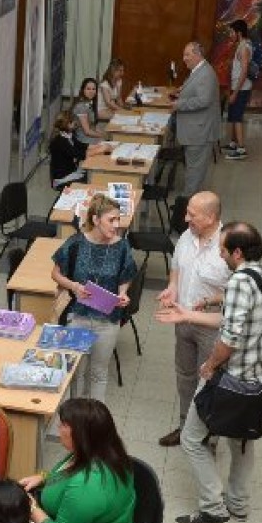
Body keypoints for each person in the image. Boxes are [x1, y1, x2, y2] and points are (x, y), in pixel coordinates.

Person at [155, 223, 262, 523]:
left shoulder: (239, 281)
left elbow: (230, 335)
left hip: (232, 382)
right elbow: (243, 317)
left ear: (237, 252)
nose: (221, 254)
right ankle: (238, 504)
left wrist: (211, 364)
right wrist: (194, 311)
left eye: (223, 249)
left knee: (191, 439)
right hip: (261, 382)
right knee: (241, 441)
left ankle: (213, 508)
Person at [157, 191, 232, 448]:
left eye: (192, 214)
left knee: (209, 381)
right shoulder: (187, 237)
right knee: (185, 376)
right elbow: (176, 270)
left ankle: (207, 436)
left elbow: (237, 292)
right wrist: (171, 288)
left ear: (211, 217)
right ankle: (185, 426)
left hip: (212, 329)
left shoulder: (228, 247)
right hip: (183, 321)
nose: (186, 217)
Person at [51, 194, 137, 402]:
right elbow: (56, 273)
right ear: (96, 220)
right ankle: (73, 418)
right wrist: (74, 286)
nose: (116, 225)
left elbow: (126, 276)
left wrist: (123, 292)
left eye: (118, 219)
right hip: (78, 316)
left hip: (107, 320)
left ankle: (94, 420)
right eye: (111, 220)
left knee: (99, 373)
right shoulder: (76, 243)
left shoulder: (122, 247)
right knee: (75, 372)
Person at [170, 41, 221, 197]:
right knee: (193, 170)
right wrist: (182, 92)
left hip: (199, 132)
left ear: (198, 55)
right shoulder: (198, 70)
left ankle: (188, 208)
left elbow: (204, 100)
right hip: (195, 130)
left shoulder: (206, 73)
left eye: (187, 55)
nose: (184, 58)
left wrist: (179, 104)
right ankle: (188, 203)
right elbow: (196, 91)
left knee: (194, 173)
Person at [48, 111, 111, 190]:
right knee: (94, 180)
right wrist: (101, 149)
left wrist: (98, 146)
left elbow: (81, 145)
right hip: (63, 177)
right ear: (68, 124)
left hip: (71, 170)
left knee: (94, 175)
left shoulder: (67, 134)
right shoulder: (60, 142)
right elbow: (80, 155)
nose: (76, 122)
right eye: (74, 121)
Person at [224, 20, 254, 160]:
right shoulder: (242, 45)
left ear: (239, 33)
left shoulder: (244, 47)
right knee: (233, 115)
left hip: (241, 89)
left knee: (237, 117)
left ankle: (241, 149)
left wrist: (235, 92)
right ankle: (233, 144)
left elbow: (244, 71)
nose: (230, 34)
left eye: (232, 32)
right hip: (237, 87)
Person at [72, 77, 106, 146]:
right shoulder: (81, 106)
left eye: (94, 89)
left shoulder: (89, 103)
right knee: (105, 143)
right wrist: (101, 135)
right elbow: (87, 131)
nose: (91, 91)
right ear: (83, 90)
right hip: (82, 140)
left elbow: (92, 126)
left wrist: (103, 133)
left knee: (108, 139)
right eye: (88, 89)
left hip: (88, 137)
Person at [97, 58, 127, 123]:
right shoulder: (104, 84)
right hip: (101, 110)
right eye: (120, 71)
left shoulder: (119, 81)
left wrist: (125, 107)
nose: (122, 73)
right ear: (113, 71)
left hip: (110, 109)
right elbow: (108, 103)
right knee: (122, 117)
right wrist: (121, 110)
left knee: (126, 115)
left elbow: (119, 99)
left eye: (123, 70)